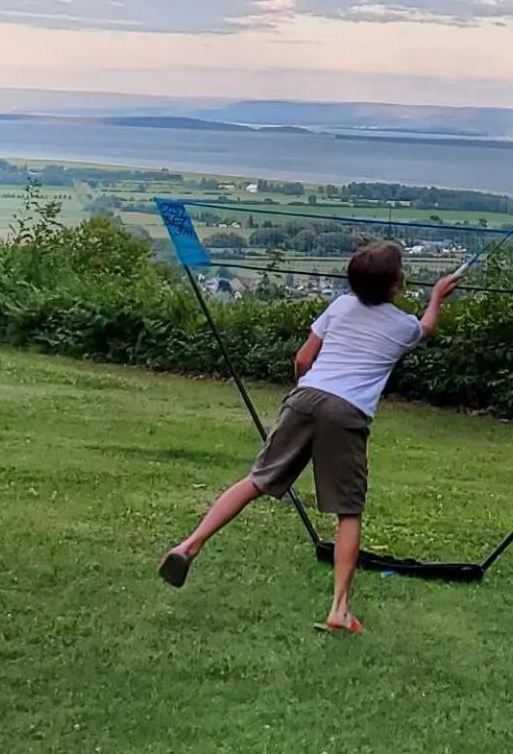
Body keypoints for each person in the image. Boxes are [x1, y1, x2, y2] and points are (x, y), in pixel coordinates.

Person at [159, 241, 462, 632]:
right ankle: (339, 610)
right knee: (348, 511)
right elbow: (427, 327)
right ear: (397, 286)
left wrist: (304, 395)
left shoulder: (338, 307)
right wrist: (437, 295)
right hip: (346, 412)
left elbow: (303, 359)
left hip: (305, 397)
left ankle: (189, 544)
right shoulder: (402, 326)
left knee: (256, 480)